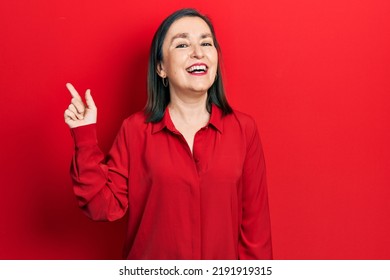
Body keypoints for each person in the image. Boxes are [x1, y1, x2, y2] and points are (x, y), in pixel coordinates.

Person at [64, 8, 272, 260]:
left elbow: (256, 232)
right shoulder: (135, 130)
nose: (198, 51)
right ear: (161, 68)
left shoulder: (244, 130)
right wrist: (84, 135)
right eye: (182, 44)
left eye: (206, 42)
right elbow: (102, 206)